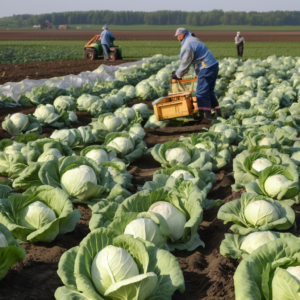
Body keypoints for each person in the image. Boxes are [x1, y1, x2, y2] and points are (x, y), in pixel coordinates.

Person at [172, 28, 221, 122]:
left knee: (201, 93)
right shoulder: (192, 39)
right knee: (209, 91)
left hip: (206, 67)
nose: (177, 37)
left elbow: (185, 62)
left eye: (178, 35)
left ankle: (205, 118)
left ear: (182, 35)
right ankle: (217, 113)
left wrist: (177, 75)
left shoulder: (187, 45)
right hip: (213, 65)